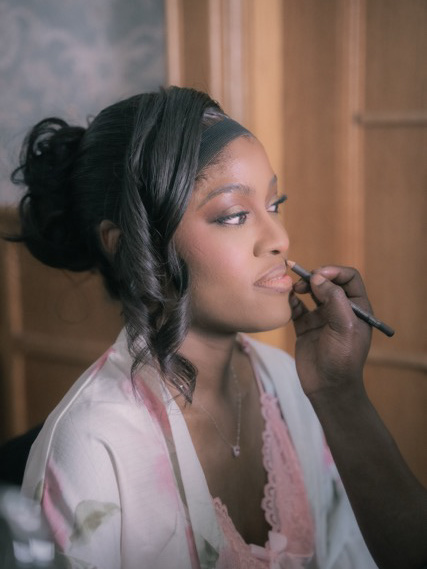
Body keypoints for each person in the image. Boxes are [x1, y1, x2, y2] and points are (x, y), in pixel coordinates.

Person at [9, 86, 426, 569]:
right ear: (127, 247)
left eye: (274, 204)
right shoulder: (90, 445)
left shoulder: (292, 382)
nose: (279, 238)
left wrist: (339, 392)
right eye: (234, 215)